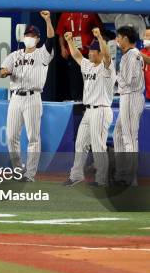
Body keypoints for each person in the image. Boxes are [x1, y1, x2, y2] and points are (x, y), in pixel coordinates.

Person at [0, 11, 55, 183]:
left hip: (33, 97)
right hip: (15, 97)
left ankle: (29, 174)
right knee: (11, 137)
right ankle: (18, 170)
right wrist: (5, 72)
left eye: (33, 35)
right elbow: (1, 70)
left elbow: (51, 39)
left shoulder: (42, 54)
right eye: (27, 35)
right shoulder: (14, 55)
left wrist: (47, 20)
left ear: (37, 39)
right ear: (23, 37)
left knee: (33, 138)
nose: (29, 37)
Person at [62, 28, 115, 187]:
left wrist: (99, 37)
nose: (90, 54)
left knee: (98, 146)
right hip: (89, 111)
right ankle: (76, 175)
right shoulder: (88, 65)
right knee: (80, 144)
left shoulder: (107, 67)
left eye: (93, 52)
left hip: (101, 110)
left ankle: (102, 180)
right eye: (90, 51)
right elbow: (76, 55)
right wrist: (70, 41)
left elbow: (106, 55)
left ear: (99, 53)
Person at [112, 26, 145, 186]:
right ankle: (121, 173)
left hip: (131, 97)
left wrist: (115, 76)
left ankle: (131, 179)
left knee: (130, 138)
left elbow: (131, 80)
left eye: (119, 37)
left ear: (125, 38)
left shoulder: (132, 55)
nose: (117, 40)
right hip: (128, 97)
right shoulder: (131, 54)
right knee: (118, 133)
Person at [56, 12, 103, 101]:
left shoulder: (90, 12)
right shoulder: (65, 14)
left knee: (89, 78)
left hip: (89, 53)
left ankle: (91, 100)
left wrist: (95, 46)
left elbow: (100, 30)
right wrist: (62, 48)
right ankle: (76, 102)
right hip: (72, 53)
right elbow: (61, 34)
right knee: (74, 78)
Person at [143, 29, 150, 102]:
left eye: (147, 36)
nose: (145, 38)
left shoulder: (140, 53)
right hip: (147, 93)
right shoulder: (142, 51)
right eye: (145, 35)